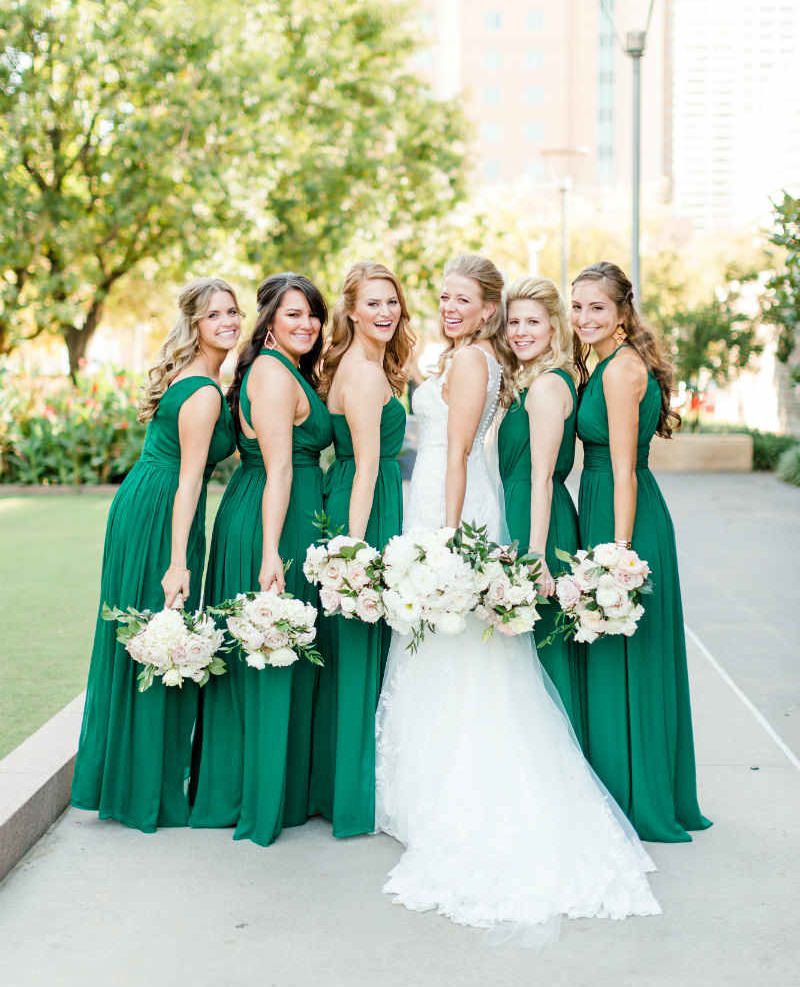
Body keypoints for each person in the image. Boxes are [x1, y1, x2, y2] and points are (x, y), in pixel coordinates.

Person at [375, 254, 659, 940]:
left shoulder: (484, 366)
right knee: (446, 655)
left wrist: (443, 540)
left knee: (466, 659)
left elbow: (463, 452)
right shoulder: (477, 363)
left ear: (489, 309)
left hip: (455, 511)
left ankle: (455, 796)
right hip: (447, 504)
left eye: (462, 298)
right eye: (441, 296)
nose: (448, 306)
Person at [71, 277, 240, 831]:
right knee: (157, 635)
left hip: (144, 499)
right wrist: (177, 563)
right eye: (215, 315)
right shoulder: (206, 391)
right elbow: (192, 481)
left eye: (233, 312)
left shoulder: (205, 376)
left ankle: (124, 781)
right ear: (195, 324)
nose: (228, 322)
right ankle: (146, 791)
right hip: (164, 514)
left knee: (142, 639)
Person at [189, 273, 332, 846]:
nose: (305, 324)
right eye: (292, 314)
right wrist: (272, 551)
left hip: (275, 512)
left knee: (271, 655)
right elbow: (278, 468)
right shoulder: (273, 374)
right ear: (269, 320)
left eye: (312, 315)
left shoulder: (284, 368)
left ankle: (268, 787)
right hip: (269, 518)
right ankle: (257, 796)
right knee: (268, 651)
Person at [572, 260, 712, 843]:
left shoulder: (620, 370)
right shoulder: (605, 361)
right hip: (610, 506)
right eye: (576, 307)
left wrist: (618, 556)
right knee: (617, 653)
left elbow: (625, 468)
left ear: (622, 311)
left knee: (626, 650)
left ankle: (638, 796)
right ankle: (627, 784)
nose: (584, 318)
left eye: (596, 307)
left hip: (623, 514)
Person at [309, 261, 411, 838]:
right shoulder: (367, 374)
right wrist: (353, 550)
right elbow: (369, 464)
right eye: (373, 303)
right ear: (352, 310)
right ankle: (350, 794)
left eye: (392, 302)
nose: (384, 312)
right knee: (358, 644)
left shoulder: (362, 364)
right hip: (364, 505)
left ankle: (337, 784)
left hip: (354, 494)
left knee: (353, 648)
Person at [498, 276, 587, 745]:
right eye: (514, 322)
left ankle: (560, 762)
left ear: (554, 326)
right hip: (525, 510)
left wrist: (535, 554)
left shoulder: (547, 387)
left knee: (542, 649)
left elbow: (540, 476)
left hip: (539, 520)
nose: (521, 331)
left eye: (533, 321)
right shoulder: (531, 380)